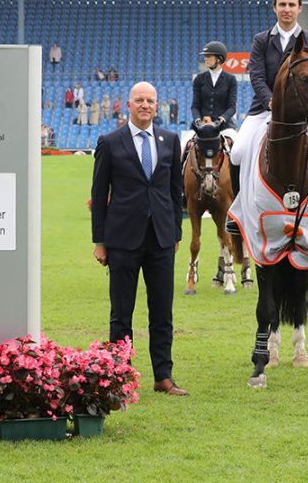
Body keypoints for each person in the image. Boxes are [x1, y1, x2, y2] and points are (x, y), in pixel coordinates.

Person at [90, 81, 187, 396]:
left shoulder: (171, 141)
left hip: (161, 239)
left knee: (163, 312)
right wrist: (99, 240)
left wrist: (175, 232)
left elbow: (175, 193)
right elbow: (98, 192)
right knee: (122, 313)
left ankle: (164, 376)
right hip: (122, 240)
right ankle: (120, 377)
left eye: (151, 100)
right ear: (128, 105)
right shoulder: (110, 141)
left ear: (157, 106)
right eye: (139, 100)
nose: (146, 105)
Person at [227, 0, 308, 233]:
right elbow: (256, 75)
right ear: (274, 8)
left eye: (292, 5)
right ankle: (237, 210)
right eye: (282, 4)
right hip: (263, 108)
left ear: (299, 8)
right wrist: (271, 101)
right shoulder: (262, 40)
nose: (287, 9)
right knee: (238, 151)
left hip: (303, 112)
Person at [191, 40, 238, 136]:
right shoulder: (199, 79)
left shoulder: (231, 79)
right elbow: (195, 106)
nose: (205, 59)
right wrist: (199, 121)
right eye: (205, 56)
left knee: (238, 149)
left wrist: (219, 121)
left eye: (208, 56)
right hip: (202, 126)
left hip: (224, 127)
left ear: (219, 59)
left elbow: (232, 107)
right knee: (183, 146)